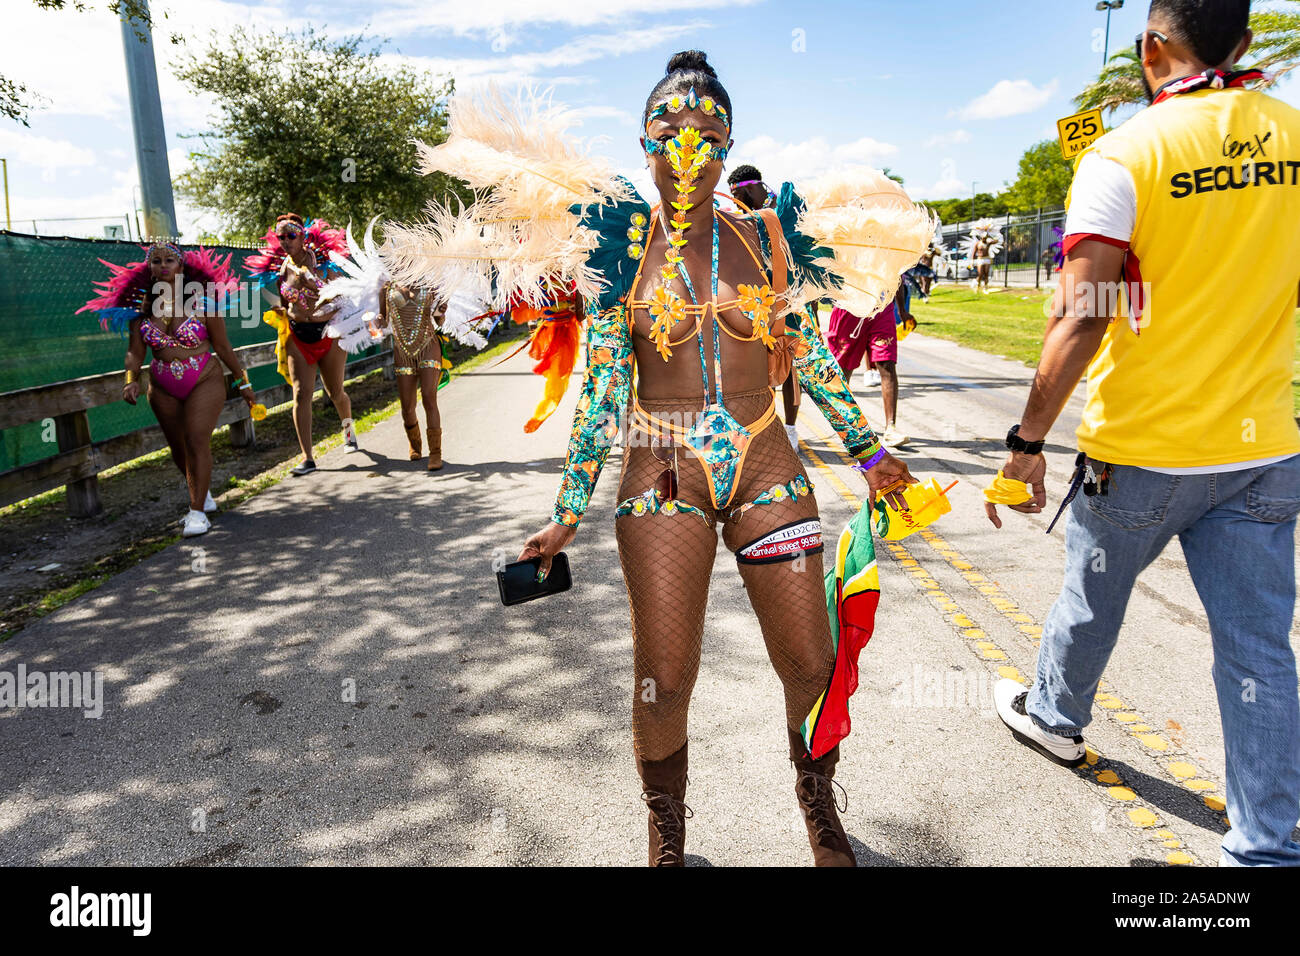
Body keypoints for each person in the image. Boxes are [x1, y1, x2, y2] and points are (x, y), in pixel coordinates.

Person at [383, 51, 932, 866]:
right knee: (665, 676)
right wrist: (568, 511)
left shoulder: (770, 236)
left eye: (709, 132)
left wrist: (868, 449)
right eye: (669, 130)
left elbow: (807, 351)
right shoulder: (619, 252)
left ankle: (819, 808)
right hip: (661, 468)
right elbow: (603, 382)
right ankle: (666, 834)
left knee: (812, 661)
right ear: (643, 145)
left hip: (767, 464)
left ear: (731, 141)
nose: (689, 147)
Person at [985, 0, 1300, 867]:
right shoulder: (1292, 133)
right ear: (1244, 41)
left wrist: (1026, 438)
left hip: (1143, 446)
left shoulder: (1125, 151)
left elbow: (1083, 313)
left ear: (1154, 47)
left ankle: (1055, 717)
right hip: (1264, 447)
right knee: (1259, 652)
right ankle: (1267, 848)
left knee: (1093, 597)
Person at [79, 241, 254, 537]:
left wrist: (243, 382)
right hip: (162, 386)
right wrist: (130, 380)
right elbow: (135, 352)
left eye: (169, 260)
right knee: (178, 448)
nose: (162, 266)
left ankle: (197, 512)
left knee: (196, 439)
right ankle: (202, 493)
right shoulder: (141, 314)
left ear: (181, 267)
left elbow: (223, 346)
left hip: (203, 379)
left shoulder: (204, 304)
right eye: (156, 261)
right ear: (150, 269)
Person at [248, 214, 358, 476]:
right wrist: (284, 311)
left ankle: (349, 432)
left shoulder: (324, 265)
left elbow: (342, 300)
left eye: (291, 236)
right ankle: (307, 457)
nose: (285, 241)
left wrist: (315, 284)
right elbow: (287, 305)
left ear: (303, 236)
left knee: (335, 392)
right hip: (298, 335)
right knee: (301, 393)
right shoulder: (282, 270)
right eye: (281, 237)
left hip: (328, 333)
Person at [826, 283, 914, 448]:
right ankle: (844, 424)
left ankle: (891, 428)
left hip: (882, 308)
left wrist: (901, 310)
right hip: (850, 307)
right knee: (844, 370)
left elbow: (897, 273)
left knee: (887, 364)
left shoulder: (891, 254)